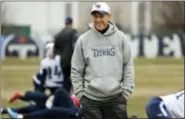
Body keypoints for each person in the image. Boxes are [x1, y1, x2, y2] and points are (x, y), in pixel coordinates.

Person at [71, 2, 134, 119]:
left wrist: (125, 93)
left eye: (102, 16)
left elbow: (128, 66)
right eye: (95, 16)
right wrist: (81, 96)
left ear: (109, 16)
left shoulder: (121, 38)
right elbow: (76, 70)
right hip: (90, 101)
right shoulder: (83, 40)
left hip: (115, 99)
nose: (98, 20)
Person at [2, 88, 81, 119]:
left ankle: (19, 115)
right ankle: (3, 111)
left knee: (35, 108)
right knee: (30, 108)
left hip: (71, 111)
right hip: (53, 102)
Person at [54, 16, 79, 93]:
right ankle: (74, 98)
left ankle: (66, 96)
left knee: (65, 79)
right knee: (75, 80)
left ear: (65, 23)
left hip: (63, 61)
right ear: (72, 23)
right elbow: (76, 45)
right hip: (72, 60)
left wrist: (61, 54)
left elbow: (55, 49)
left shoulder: (59, 34)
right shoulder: (73, 32)